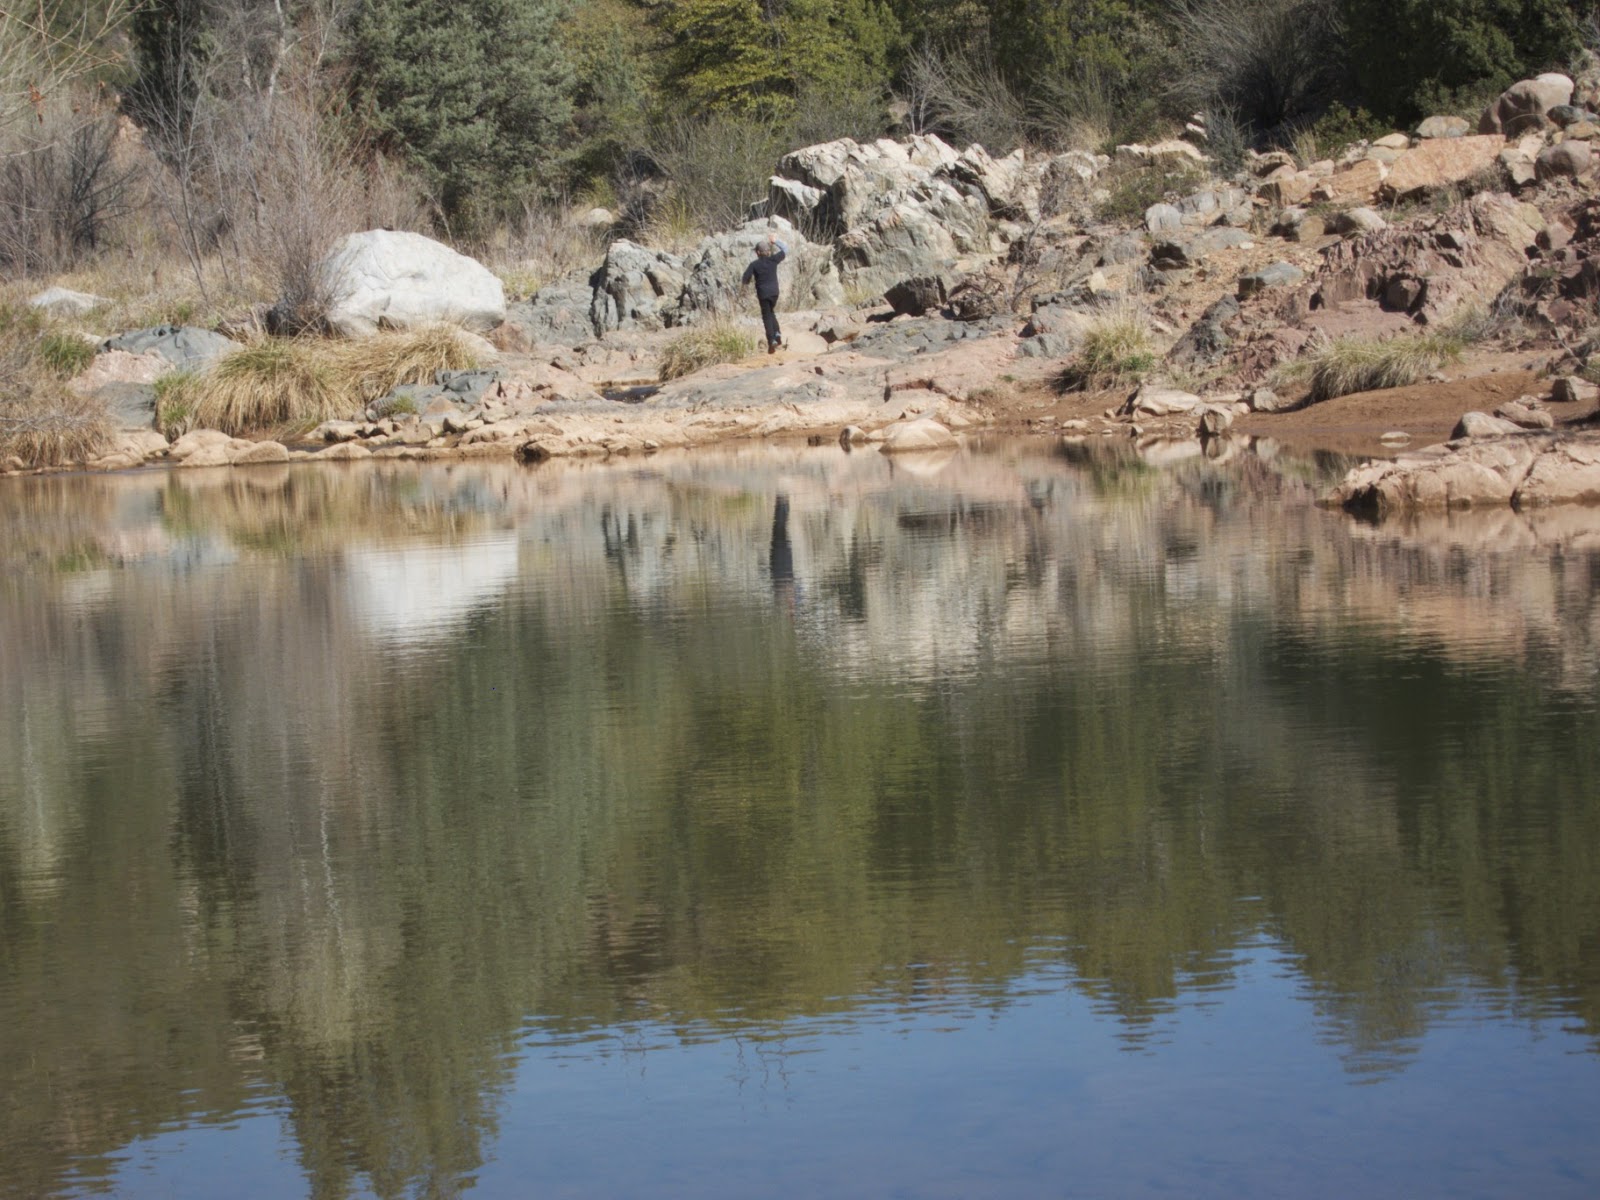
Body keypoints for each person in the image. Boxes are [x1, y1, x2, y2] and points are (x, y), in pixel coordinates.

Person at [741, 230, 787, 354]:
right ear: (768, 252)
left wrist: (745, 286)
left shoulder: (754, 265)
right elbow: (785, 250)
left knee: (766, 316)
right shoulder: (773, 260)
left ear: (757, 253)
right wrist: (775, 241)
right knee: (771, 312)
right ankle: (777, 334)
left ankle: (771, 341)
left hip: (763, 293)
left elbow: (745, 278)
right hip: (775, 292)